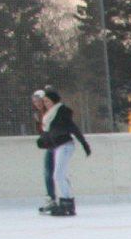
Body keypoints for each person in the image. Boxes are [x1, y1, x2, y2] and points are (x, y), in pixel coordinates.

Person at [32, 87, 91, 215]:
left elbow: (72, 128)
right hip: (57, 146)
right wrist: (44, 140)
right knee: (59, 175)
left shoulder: (61, 111)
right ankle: (67, 204)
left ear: (53, 101)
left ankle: (66, 203)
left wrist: (84, 143)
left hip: (65, 145)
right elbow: (50, 132)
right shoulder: (48, 115)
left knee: (58, 175)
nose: (45, 104)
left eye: (47, 101)